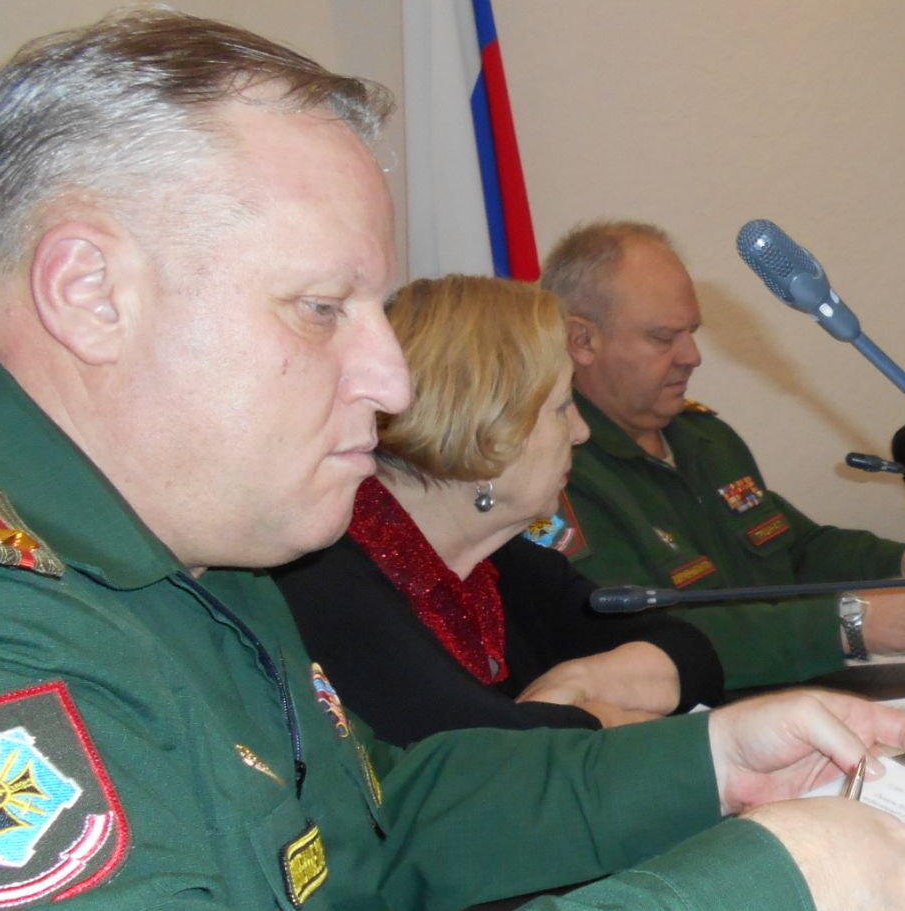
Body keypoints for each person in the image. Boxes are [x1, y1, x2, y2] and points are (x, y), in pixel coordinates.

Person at [0, 9, 905, 911]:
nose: (387, 378)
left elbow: (369, 823)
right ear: (89, 292)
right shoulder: (0, 636)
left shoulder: (189, 551)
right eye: (321, 309)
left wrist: (701, 765)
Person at [275, 273, 724, 745]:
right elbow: (482, 749)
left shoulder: (500, 563)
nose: (581, 432)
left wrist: (579, 683)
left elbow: (691, 655)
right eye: (562, 407)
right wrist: (607, 720)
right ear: (489, 430)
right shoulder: (328, 578)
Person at [546, 220, 905, 688]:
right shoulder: (560, 475)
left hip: (798, 691)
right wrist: (844, 625)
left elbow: (797, 552)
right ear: (582, 341)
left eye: (691, 332)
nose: (692, 355)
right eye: (663, 337)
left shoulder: (705, 439)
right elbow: (637, 638)